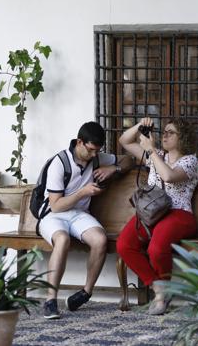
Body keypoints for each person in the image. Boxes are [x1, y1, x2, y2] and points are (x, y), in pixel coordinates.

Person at [40, 121, 132, 319]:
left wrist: (113, 168)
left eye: (97, 152)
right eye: (90, 150)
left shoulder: (97, 157)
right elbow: (55, 205)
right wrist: (83, 192)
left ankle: (85, 293)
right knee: (62, 240)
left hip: (79, 215)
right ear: (80, 142)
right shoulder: (59, 162)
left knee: (100, 240)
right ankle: (50, 300)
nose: (93, 156)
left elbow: (128, 160)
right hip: (53, 215)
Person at [117, 117, 198, 315]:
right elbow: (125, 141)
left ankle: (161, 299)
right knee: (124, 245)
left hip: (178, 214)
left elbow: (169, 176)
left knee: (156, 248)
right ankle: (159, 286)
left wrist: (151, 151)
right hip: (151, 213)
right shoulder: (157, 154)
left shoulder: (190, 161)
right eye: (164, 131)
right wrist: (140, 127)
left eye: (171, 133)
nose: (165, 135)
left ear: (183, 138)